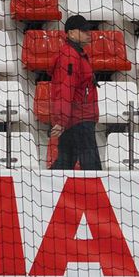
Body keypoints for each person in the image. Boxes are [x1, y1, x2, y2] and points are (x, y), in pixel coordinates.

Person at [50, 14, 101, 170]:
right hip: (79, 119)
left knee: (64, 165)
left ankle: (40, 191)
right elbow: (65, 88)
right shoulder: (71, 56)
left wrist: (63, 120)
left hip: (76, 118)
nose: (88, 33)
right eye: (84, 30)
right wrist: (61, 120)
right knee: (92, 169)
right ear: (71, 33)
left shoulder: (75, 53)